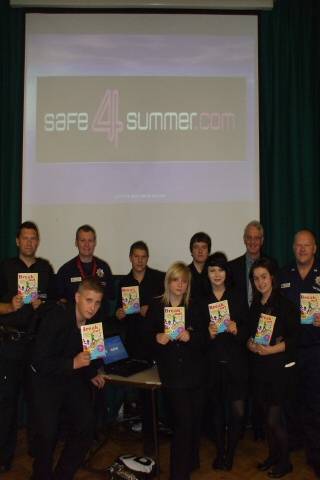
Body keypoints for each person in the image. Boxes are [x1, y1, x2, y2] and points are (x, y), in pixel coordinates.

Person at [29, 277, 106, 480]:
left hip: (71, 379)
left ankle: (63, 475)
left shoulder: (94, 322)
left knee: (86, 425)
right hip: (45, 380)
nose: (93, 307)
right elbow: (39, 362)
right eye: (89, 300)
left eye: (97, 302)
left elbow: (87, 356)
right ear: (77, 297)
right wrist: (72, 363)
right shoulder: (55, 318)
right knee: (47, 436)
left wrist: (91, 373)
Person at [0, 221, 56, 473]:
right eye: (25, 238)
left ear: (38, 241)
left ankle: (38, 453)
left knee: (38, 403)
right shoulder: (6, 267)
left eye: (34, 238)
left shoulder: (45, 269)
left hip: (37, 346)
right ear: (17, 241)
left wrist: (40, 306)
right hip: (10, 345)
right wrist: (10, 307)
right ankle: (4, 455)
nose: (30, 242)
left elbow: (55, 304)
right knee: (7, 404)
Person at [145, 261, 206, 480]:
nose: (180, 285)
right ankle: (178, 475)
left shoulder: (195, 306)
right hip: (172, 374)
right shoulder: (156, 306)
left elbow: (205, 339)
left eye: (184, 281)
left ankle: (189, 463)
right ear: (168, 281)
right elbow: (146, 337)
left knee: (193, 422)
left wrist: (192, 337)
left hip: (195, 373)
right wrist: (156, 338)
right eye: (176, 280)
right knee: (182, 425)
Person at [247, 257, 299, 478]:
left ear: (272, 278)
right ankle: (273, 456)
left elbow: (294, 340)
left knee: (274, 419)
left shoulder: (285, 305)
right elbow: (249, 336)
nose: (260, 282)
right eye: (256, 278)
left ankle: (285, 461)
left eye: (264, 277)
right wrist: (250, 344)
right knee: (266, 418)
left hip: (279, 370)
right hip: (260, 370)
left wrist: (271, 350)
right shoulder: (255, 305)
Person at [279, 229, 320, 477]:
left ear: (314, 248)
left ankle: (315, 455)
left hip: (316, 350)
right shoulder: (284, 274)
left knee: (315, 405)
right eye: (298, 245)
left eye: (307, 245)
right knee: (291, 401)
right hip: (290, 351)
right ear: (293, 248)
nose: (302, 249)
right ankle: (295, 443)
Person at [202, 252, 249, 471]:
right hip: (212, 365)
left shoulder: (238, 296)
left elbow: (248, 328)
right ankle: (221, 451)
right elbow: (194, 336)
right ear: (207, 273)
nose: (217, 274)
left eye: (220, 269)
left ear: (226, 272)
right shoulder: (200, 299)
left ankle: (231, 451)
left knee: (238, 411)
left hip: (236, 364)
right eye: (212, 270)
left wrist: (237, 329)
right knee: (217, 412)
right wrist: (207, 334)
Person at [115, 241, 164, 360]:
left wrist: (151, 310)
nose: (140, 261)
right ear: (130, 258)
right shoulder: (123, 282)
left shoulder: (159, 279)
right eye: (136, 256)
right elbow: (118, 311)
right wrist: (118, 314)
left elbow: (168, 306)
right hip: (133, 339)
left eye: (143, 257)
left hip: (155, 339)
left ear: (147, 258)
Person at [56, 224, 115, 317]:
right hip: (73, 325)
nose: (87, 245)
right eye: (82, 240)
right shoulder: (65, 271)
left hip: (99, 324)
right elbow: (59, 300)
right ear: (76, 242)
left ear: (95, 243)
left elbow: (111, 297)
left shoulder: (104, 268)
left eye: (90, 240)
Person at [229, 220, 277, 308]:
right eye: (249, 238)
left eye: (256, 238)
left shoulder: (272, 264)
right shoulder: (232, 267)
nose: (252, 242)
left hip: (265, 316)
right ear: (244, 239)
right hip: (239, 319)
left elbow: (276, 292)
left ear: (262, 240)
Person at [188, 232, 212, 301]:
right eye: (196, 247)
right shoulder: (184, 273)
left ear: (208, 251)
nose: (200, 251)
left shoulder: (216, 273)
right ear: (191, 251)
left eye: (204, 247)